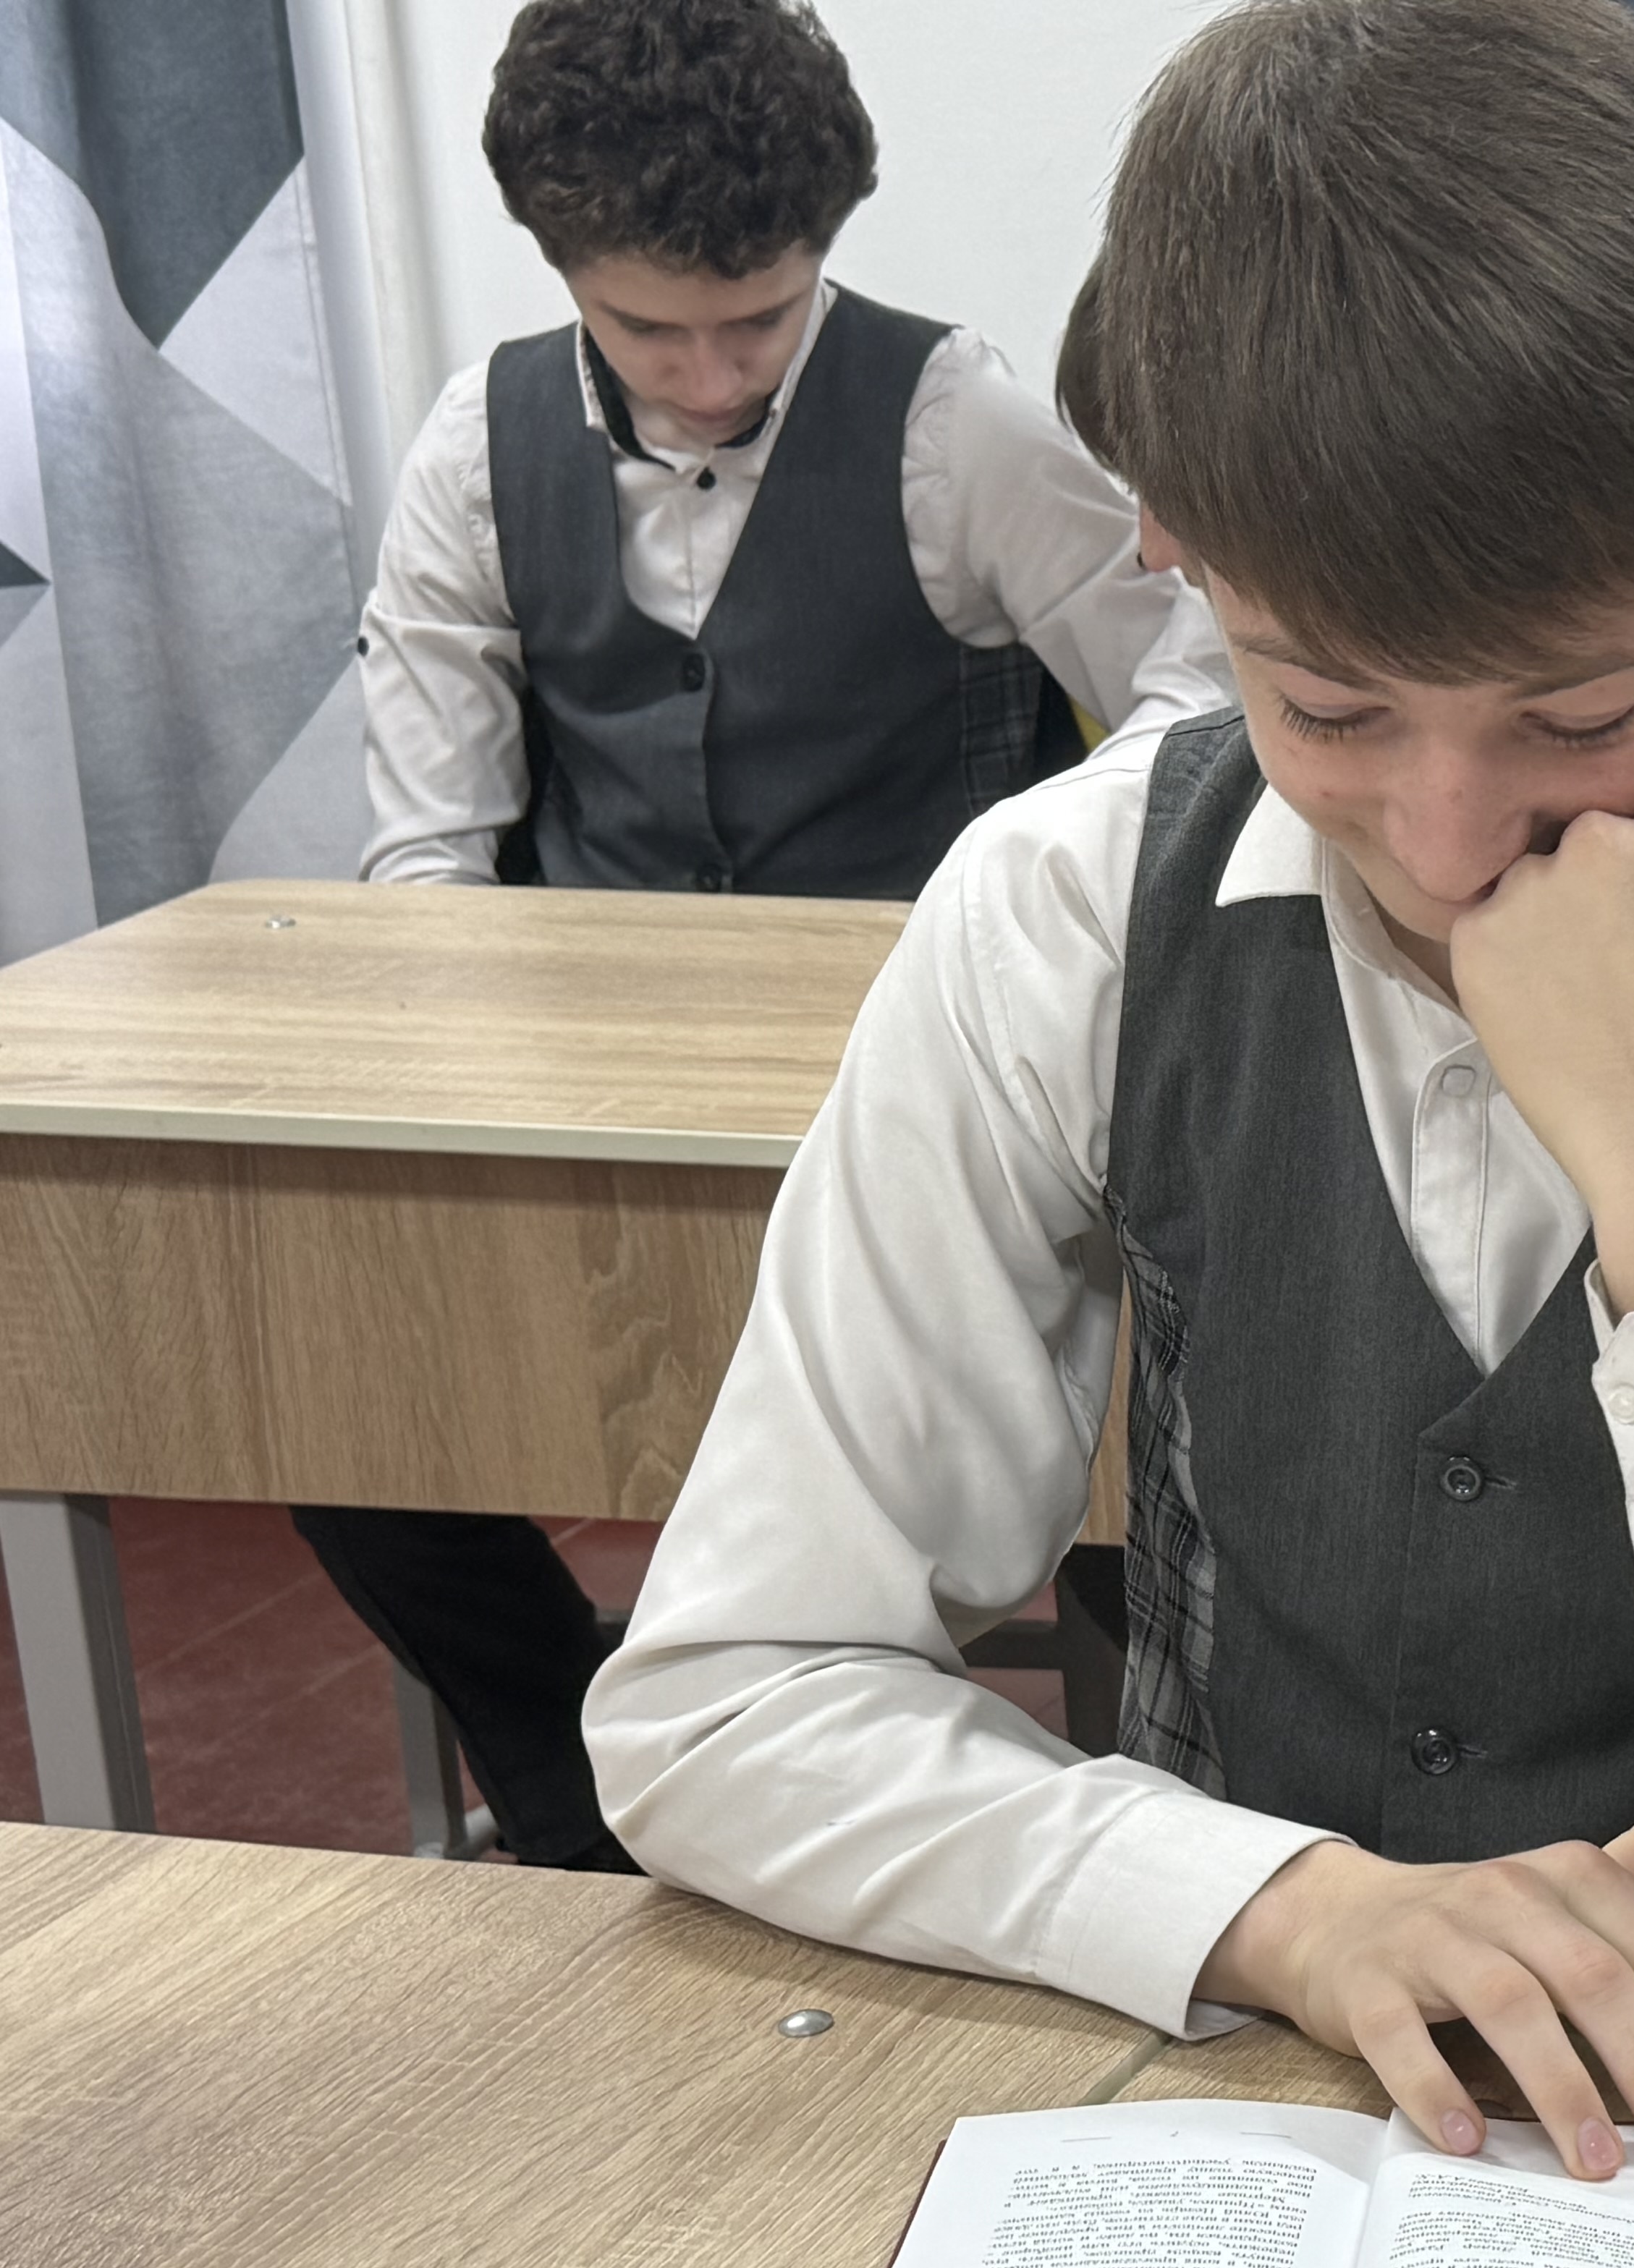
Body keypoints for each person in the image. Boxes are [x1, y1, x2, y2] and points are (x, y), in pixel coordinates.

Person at [585, 0, 1634, 2177]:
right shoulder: (1070, 911)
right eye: (1326, 708)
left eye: (1581, 716)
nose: (1443, 838)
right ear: (1179, 552)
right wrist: (1281, 1908)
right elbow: (728, 1700)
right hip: (1246, 2117)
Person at [318, 0, 1231, 1869]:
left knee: (1147, 1446)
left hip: (942, 1101)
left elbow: (1198, 685)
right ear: (558, 264)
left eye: (762, 318)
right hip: (596, 1104)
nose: (714, 373)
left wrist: (1040, 894)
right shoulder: (475, 450)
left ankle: (1134, 1801)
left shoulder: (958, 423)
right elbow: (425, 857)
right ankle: (569, 1767)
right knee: (336, 1410)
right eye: (650, 328)